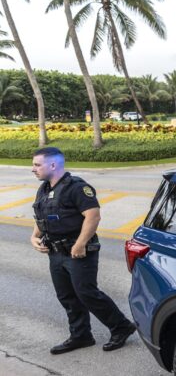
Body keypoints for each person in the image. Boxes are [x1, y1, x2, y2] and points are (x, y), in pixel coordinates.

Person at [30, 147, 136, 355]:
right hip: (55, 251)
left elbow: (93, 216)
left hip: (78, 251)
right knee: (67, 296)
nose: (32, 169)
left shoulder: (76, 187)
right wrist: (34, 236)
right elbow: (42, 216)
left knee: (86, 293)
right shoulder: (44, 188)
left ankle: (121, 327)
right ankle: (81, 336)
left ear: (53, 165)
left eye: (37, 165)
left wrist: (80, 244)